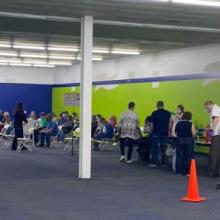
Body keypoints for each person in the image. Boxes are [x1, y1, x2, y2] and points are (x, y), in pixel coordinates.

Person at [149, 101, 171, 167]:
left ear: (157, 105)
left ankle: (153, 163)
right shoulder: (168, 113)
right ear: (163, 105)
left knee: (154, 148)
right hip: (164, 133)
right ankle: (163, 163)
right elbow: (170, 124)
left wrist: (151, 130)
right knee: (164, 148)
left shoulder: (154, 113)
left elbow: (151, 123)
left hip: (156, 132)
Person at [204, 100, 220, 188]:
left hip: (216, 134)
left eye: (207, 108)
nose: (207, 110)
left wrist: (212, 129)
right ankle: (216, 171)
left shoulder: (214, 109)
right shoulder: (218, 108)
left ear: (209, 105)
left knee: (214, 153)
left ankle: (213, 171)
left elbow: (216, 119)